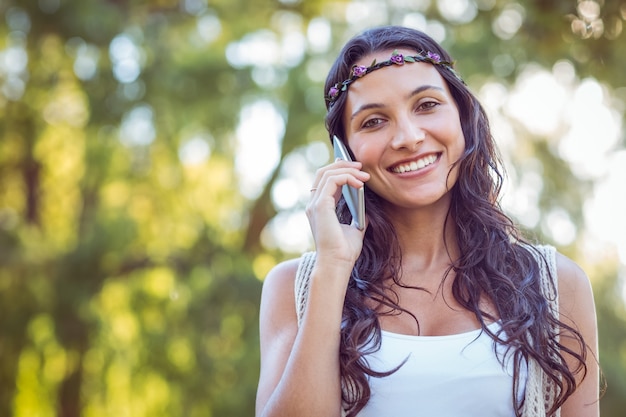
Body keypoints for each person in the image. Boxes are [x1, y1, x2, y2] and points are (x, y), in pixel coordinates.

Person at [255, 26, 599, 417]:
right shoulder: (294, 288)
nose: (408, 136)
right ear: (344, 153)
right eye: (373, 122)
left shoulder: (556, 283)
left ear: (463, 118)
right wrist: (333, 268)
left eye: (426, 105)